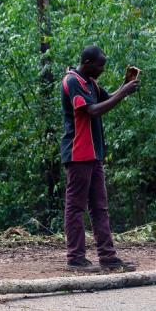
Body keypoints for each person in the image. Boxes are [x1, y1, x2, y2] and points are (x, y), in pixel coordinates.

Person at [60, 45, 140, 272]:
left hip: (94, 154)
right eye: (100, 65)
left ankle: (108, 258)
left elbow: (109, 99)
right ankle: (75, 258)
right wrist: (124, 92)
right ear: (87, 63)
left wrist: (124, 86)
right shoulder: (72, 81)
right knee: (76, 207)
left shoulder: (90, 82)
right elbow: (93, 110)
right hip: (78, 153)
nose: (102, 70)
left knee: (99, 207)